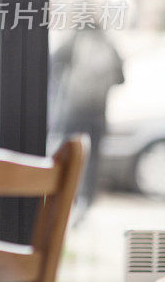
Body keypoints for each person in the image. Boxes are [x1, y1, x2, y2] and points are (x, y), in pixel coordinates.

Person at [48, 24, 124, 221]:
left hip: (74, 111)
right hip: (98, 114)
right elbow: (121, 78)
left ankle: (68, 199)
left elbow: (53, 62)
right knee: (92, 159)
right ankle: (86, 202)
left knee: (70, 154)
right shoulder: (108, 43)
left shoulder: (74, 39)